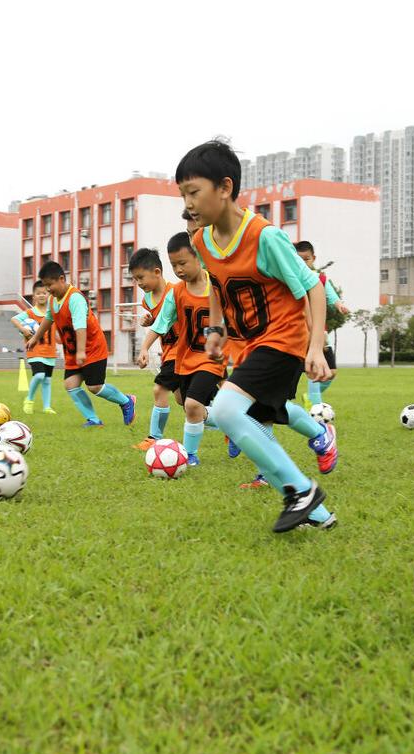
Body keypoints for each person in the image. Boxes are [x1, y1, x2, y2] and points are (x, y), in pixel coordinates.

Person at [177, 139, 338, 532]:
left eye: (194, 192)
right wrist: (217, 329)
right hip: (249, 346)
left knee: (226, 411)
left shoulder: (265, 237)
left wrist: (315, 347)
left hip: (283, 340)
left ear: (225, 187)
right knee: (258, 424)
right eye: (183, 195)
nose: (188, 203)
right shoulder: (201, 241)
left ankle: (300, 490)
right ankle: (317, 515)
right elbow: (216, 286)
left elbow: (312, 287)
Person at [137, 233, 227, 466]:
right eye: (174, 265)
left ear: (199, 258)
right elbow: (162, 323)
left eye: (182, 263)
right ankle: (232, 426)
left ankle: (190, 455)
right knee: (189, 407)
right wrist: (145, 347)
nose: (178, 270)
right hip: (185, 361)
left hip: (211, 359)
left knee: (192, 405)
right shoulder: (176, 292)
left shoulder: (218, 285)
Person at [25, 260, 136, 428]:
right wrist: (35, 338)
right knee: (70, 384)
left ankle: (126, 401)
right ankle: (93, 420)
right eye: (46, 286)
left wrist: (81, 352)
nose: (48, 290)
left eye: (50, 284)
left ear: (61, 278)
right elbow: (48, 319)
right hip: (73, 351)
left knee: (94, 386)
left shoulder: (75, 298)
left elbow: (80, 327)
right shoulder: (53, 300)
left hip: (92, 349)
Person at [129, 247, 181, 449]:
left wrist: (144, 347)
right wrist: (147, 321)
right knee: (184, 402)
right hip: (168, 352)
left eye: (141, 277)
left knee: (159, 389)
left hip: (182, 351)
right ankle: (228, 426)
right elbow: (159, 322)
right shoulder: (146, 300)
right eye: (136, 279)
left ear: (157, 272)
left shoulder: (176, 292)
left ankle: (153, 438)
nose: (139, 283)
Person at [295, 241, 348, 409]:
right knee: (314, 371)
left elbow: (330, 294)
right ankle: (315, 407)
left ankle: (309, 396)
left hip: (319, 332)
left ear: (313, 258)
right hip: (298, 331)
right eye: (299, 259)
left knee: (331, 373)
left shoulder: (320, 279)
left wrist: (339, 304)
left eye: (307, 259)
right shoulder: (291, 278)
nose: (303, 263)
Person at [11, 280, 59, 415]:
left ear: (49, 295)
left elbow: (55, 332)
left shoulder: (52, 313)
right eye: (38, 293)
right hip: (35, 350)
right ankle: (29, 399)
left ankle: (47, 407)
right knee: (39, 375)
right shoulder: (30, 313)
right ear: (34, 297)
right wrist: (23, 329)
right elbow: (14, 319)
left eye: (44, 293)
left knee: (47, 380)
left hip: (50, 351)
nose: (42, 295)